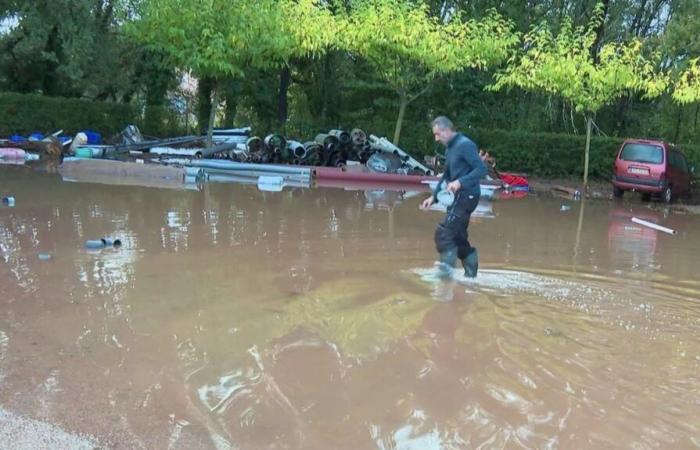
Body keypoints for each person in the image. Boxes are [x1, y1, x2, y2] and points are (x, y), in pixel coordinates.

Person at [421, 117, 487, 278]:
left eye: (437, 134)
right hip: (458, 197)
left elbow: (481, 169)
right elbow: (446, 175)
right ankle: (471, 276)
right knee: (458, 236)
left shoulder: (465, 145)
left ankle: (445, 275)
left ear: (446, 130)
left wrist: (460, 182)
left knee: (443, 233)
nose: (436, 138)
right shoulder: (450, 149)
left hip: (468, 195)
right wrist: (433, 197)